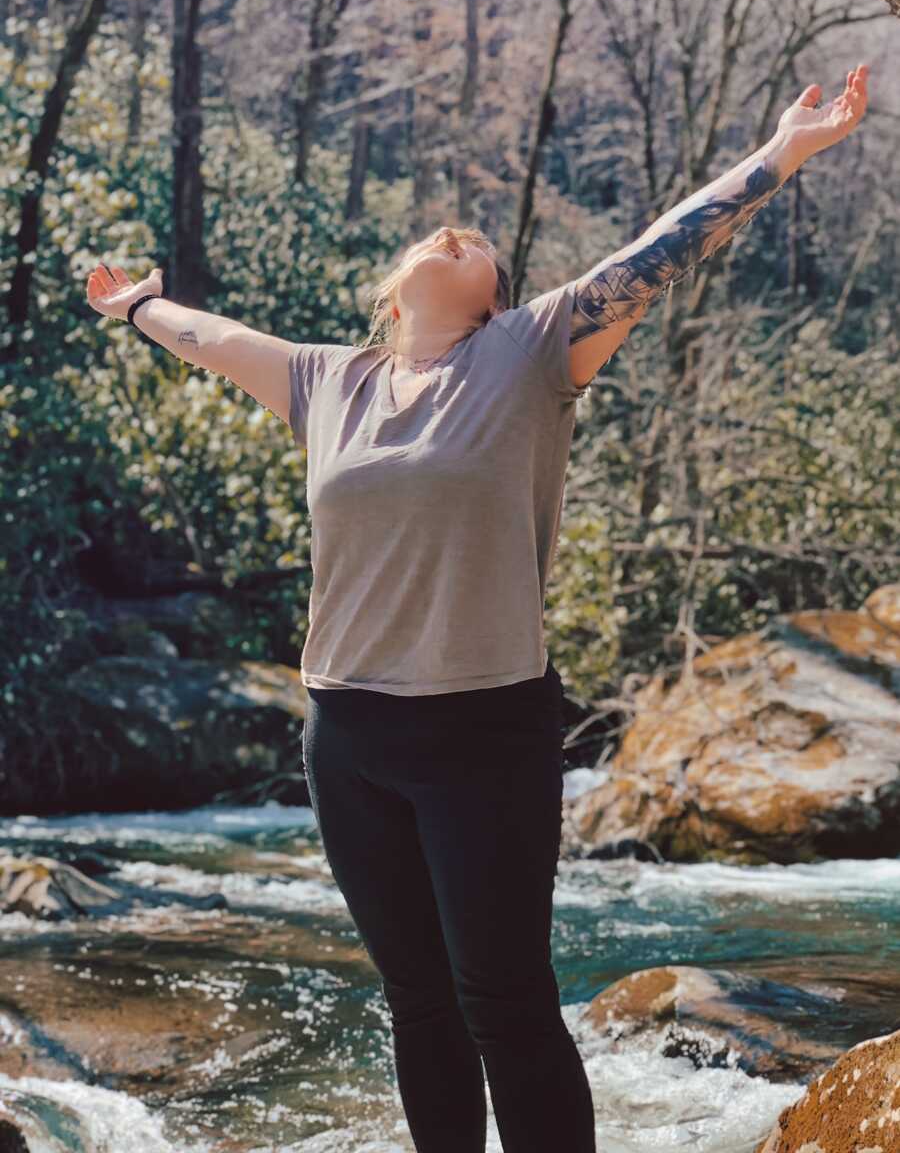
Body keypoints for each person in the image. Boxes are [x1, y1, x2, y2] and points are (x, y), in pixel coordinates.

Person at [86, 65, 868, 1152]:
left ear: (496, 293)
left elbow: (657, 252)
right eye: (440, 232)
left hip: (485, 731)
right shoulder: (329, 381)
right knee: (418, 1000)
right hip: (348, 735)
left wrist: (782, 150)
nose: (454, 233)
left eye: (477, 242)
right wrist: (135, 306)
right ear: (396, 285)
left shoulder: (529, 354)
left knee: (504, 1000)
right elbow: (211, 341)